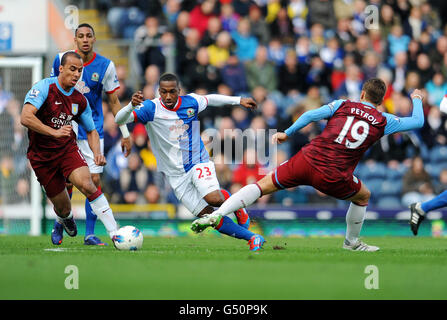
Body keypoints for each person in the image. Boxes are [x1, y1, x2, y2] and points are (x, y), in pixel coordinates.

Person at [192, 78, 425, 252]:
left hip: (306, 159)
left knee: (262, 185)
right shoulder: (384, 121)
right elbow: (418, 121)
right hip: (334, 175)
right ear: (381, 100)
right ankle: (351, 242)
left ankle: (218, 214)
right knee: (363, 196)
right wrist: (416, 99)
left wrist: (287, 133)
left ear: (362, 93)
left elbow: (310, 115)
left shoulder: (342, 105)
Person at [115, 73, 264, 251]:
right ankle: (253, 237)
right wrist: (131, 106)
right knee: (207, 216)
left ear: (179, 91)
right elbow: (119, 119)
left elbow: (211, 99)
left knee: (213, 199)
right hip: (174, 174)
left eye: (172, 91)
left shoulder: (191, 102)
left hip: (197, 160)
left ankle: (237, 207)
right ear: (158, 92)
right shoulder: (150, 108)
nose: (168, 96)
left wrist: (238, 100)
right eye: (163, 92)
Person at [21, 51, 119, 244]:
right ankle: (65, 219)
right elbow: (25, 117)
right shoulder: (44, 88)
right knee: (63, 208)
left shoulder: (79, 100)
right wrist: (53, 132)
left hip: (66, 150)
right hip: (41, 157)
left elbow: (91, 130)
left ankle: (116, 233)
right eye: (72, 69)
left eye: (80, 71)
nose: (76, 74)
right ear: (61, 69)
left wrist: (97, 153)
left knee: (87, 184)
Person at [50, 23, 132, 246]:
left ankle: (89, 234)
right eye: (80, 36)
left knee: (93, 180)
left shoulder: (105, 65)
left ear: (94, 39)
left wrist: (125, 133)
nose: (85, 39)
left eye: (89, 36)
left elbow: (114, 102)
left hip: (92, 129)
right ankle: (61, 222)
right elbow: (52, 91)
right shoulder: (61, 59)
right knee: (67, 179)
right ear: (75, 40)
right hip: (67, 127)